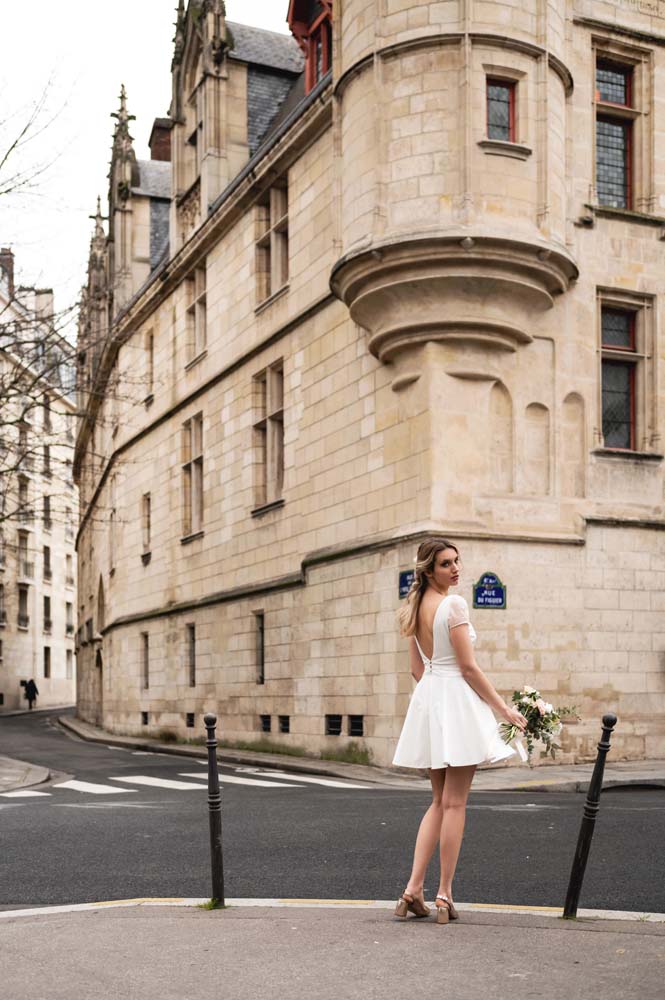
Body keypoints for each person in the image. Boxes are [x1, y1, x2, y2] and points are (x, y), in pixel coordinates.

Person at [392, 538, 527, 925]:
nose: (455, 568)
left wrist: (433, 703)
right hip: (454, 701)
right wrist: (502, 709)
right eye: (446, 564)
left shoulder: (414, 608)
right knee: (454, 804)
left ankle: (412, 890)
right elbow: (468, 669)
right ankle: (444, 894)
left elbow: (417, 671)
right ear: (429, 571)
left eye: (456, 561)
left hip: (431, 701)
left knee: (438, 802)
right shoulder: (453, 605)